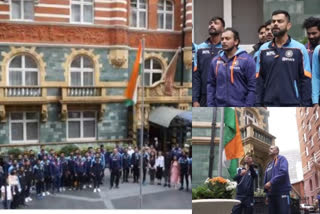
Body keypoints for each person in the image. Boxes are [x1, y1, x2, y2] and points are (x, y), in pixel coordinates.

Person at [256, 10, 312, 106]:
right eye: (273, 21)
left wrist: (306, 105)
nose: (275, 24)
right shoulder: (263, 49)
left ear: (288, 25)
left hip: (293, 103)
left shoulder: (299, 49)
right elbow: (259, 79)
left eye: (280, 21)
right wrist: (258, 104)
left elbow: (305, 79)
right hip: (268, 104)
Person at [207, 28, 256, 106]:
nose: (224, 41)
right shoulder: (215, 60)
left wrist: (247, 107)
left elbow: (252, 88)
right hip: (219, 107)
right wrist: (210, 105)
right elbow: (211, 85)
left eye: (227, 39)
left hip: (240, 106)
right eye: (222, 39)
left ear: (236, 41)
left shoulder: (247, 60)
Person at [192, 17, 225, 107]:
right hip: (204, 96)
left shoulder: (226, 47)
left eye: (216, 23)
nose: (212, 25)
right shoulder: (200, 48)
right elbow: (196, 75)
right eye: (210, 23)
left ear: (223, 29)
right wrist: (195, 99)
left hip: (223, 95)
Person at [264, 145, 291, 214]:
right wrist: (267, 195)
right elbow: (266, 179)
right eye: (269, 149)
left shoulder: (282, 159)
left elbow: (283, 172)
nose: (269, 149)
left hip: (282, 192)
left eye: (272, 148)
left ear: (277, 151)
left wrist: (271, 182)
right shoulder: (269, 164)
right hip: (271, 195)